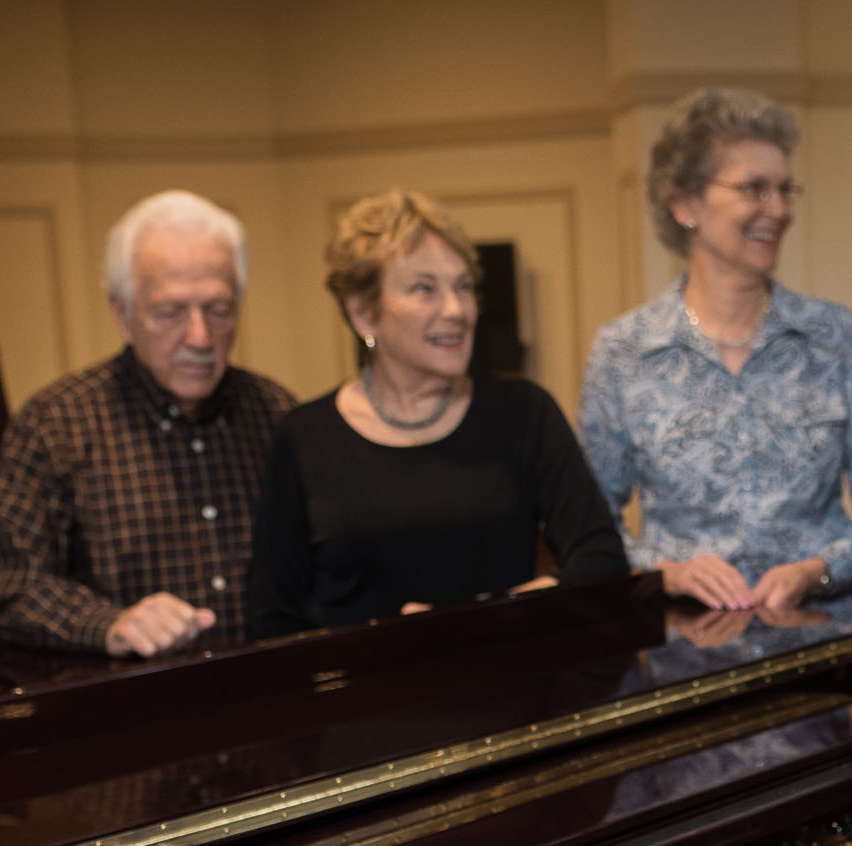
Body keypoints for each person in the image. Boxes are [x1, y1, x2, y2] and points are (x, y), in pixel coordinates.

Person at [246, 191, 625, 636]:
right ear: (363, 314)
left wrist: (486, 619)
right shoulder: (304, 437)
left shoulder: (523, 412)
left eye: (463, 286)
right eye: (424, 288)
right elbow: (272, 616)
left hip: (505, 690)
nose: (457, 310)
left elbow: (601, 560)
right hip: (363, 699)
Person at [579, 87, 852, 613]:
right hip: (683, 661)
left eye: (786, 189)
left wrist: (819, 570)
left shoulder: (836, 338)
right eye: (754, 189)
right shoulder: (622, 352)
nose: (779, 210)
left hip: (822, 650)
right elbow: (589, 529)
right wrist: (667, 573)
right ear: (684, 203)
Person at [0, 190, 295, 656]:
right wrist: (110, 624)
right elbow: (9, 592)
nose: (200, 337)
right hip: (126, 706)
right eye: (170, 313)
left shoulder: (278, 413)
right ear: (122, 314)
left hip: (270, 698)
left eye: (219, 309)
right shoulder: (56, 425)